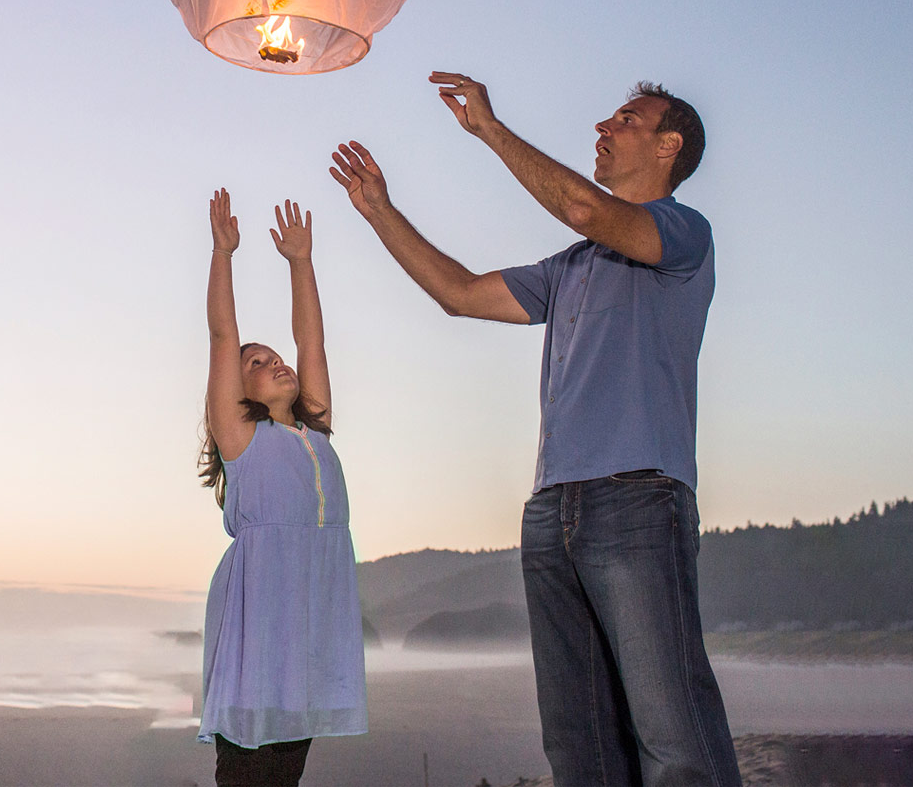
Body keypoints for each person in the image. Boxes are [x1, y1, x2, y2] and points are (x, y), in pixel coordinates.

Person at [328, 75, 739, 787]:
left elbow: (584, 206)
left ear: (669, 146)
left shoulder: (683, 233)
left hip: (638, 501)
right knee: (580, 745)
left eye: (627, 119)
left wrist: (489, 128)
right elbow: (458, 294)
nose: (603, 125)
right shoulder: (571, 268)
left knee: (674, 738)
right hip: (552, 512)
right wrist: (378, 212)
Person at [196, 189, 368, 787]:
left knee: (287, 765)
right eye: (258, 363)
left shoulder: (315, 430)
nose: (275, 363)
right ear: (237, 392)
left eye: (274, 357)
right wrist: (224, 253)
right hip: (262, 613)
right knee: (247, 765)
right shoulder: (242, 437)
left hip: (311, 610)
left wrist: (302, 262)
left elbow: (312, 342)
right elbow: (223, 338)